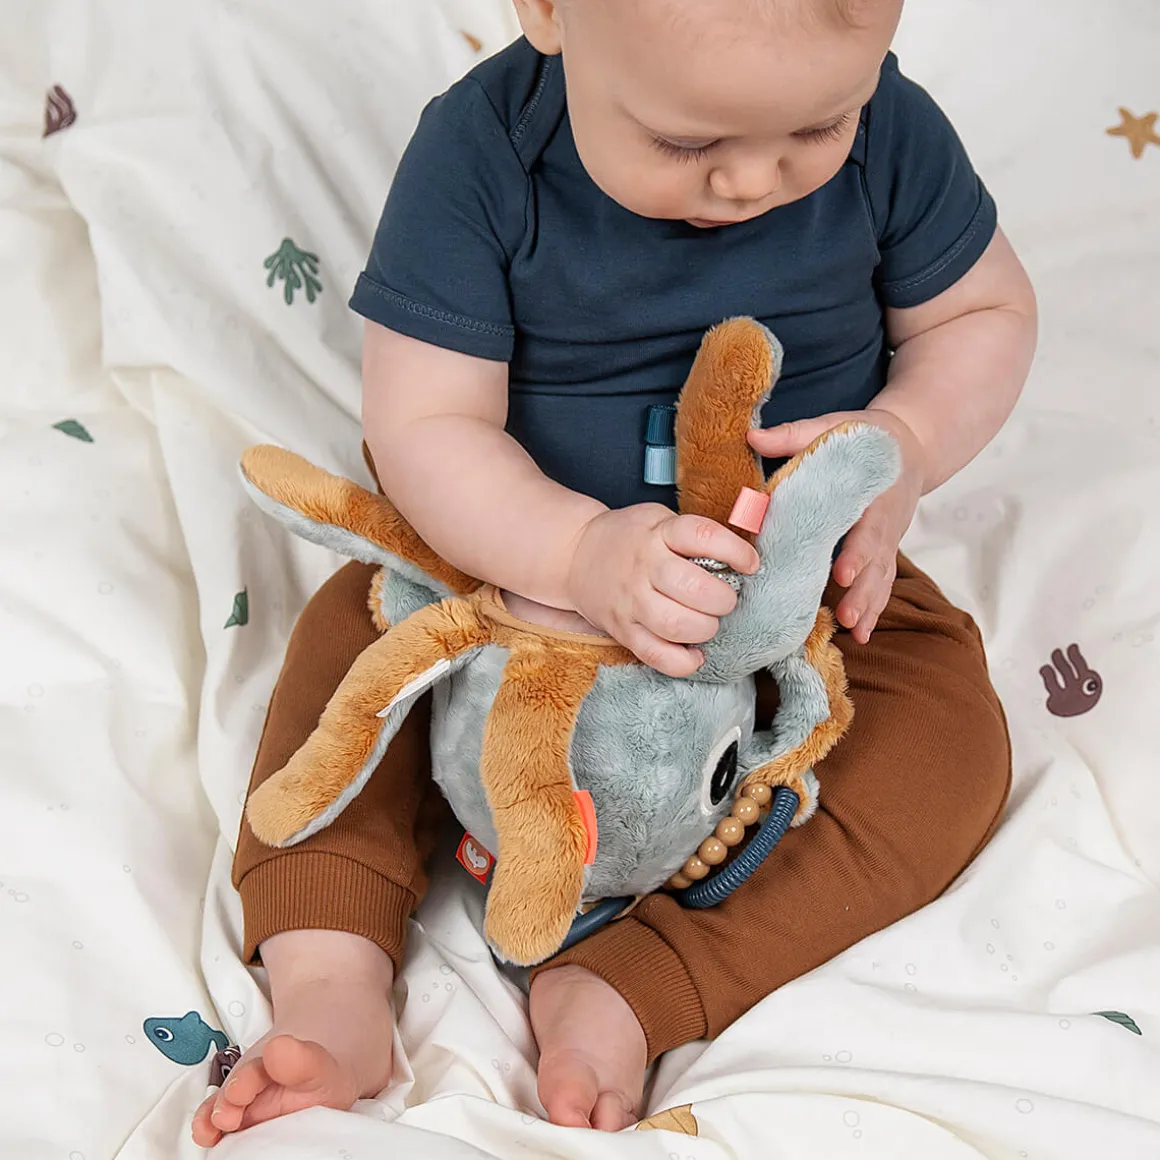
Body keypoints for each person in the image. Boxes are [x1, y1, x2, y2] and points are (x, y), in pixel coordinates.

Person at [193, 0, 1034, 1144]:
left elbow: (981, 310)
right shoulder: (482, 153)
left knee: (949, 740)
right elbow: (425, 424)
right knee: (350, 655)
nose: (753, 181)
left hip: (787, 604)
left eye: (815, 128)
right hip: (509, 584)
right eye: (687, 142)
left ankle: (635, 979)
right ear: (549, 11)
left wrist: (908, 442)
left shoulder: (891, 128)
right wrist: (573, 552)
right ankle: (330, 976)